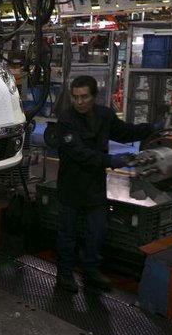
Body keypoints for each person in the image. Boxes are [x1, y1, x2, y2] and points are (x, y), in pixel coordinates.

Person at [55, 75, 155, 293]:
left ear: (94, 96)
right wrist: (111, 160)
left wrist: (150, 128)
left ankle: (91, 271)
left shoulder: (105, 116)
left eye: (84, 97)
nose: (79, 102)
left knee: (97, 230)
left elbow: (125, 131)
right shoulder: (66, 120)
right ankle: (64, 274)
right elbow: (80, 153)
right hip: (71, 187)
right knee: (67, 235)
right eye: (76, 97)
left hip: (95, 187)